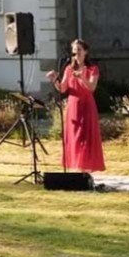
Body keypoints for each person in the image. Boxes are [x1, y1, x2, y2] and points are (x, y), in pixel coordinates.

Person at [46, 39, 105, 173]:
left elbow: (91, 88)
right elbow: (62, 89)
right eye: (74, 50)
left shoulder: (93, 69)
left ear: (85, 52)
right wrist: (54, 79)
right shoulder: (69, 69)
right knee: (75, 137)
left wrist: (82, 77)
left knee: (86, 137)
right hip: (73, 106)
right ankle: (76, 167)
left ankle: (85, 168)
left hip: (87, 105)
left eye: (79, 50)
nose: (76, 53)